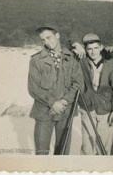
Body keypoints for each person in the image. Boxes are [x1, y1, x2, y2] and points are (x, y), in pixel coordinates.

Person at [28, 24, 84, 155]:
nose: (46, 42)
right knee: (41, 153)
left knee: (63, 153)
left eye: (49, 37)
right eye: (43, 40)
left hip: (65, 112)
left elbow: (78, 84)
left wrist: (64, 101)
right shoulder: (36, 60)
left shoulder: (71, 57)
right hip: (44, 112)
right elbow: (33, 88)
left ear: (57, 35)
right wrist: (53, 103)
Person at [78, 33, 113, 155]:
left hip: (106, 109)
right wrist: (74, 44)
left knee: (103, 147)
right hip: (87, 108)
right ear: (85, 50)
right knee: (86, 146)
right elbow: (66, 50)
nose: (93, 52)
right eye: (89, 49)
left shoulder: (111, 64)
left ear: (101, 47)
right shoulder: (81, 62)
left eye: (96, 48)